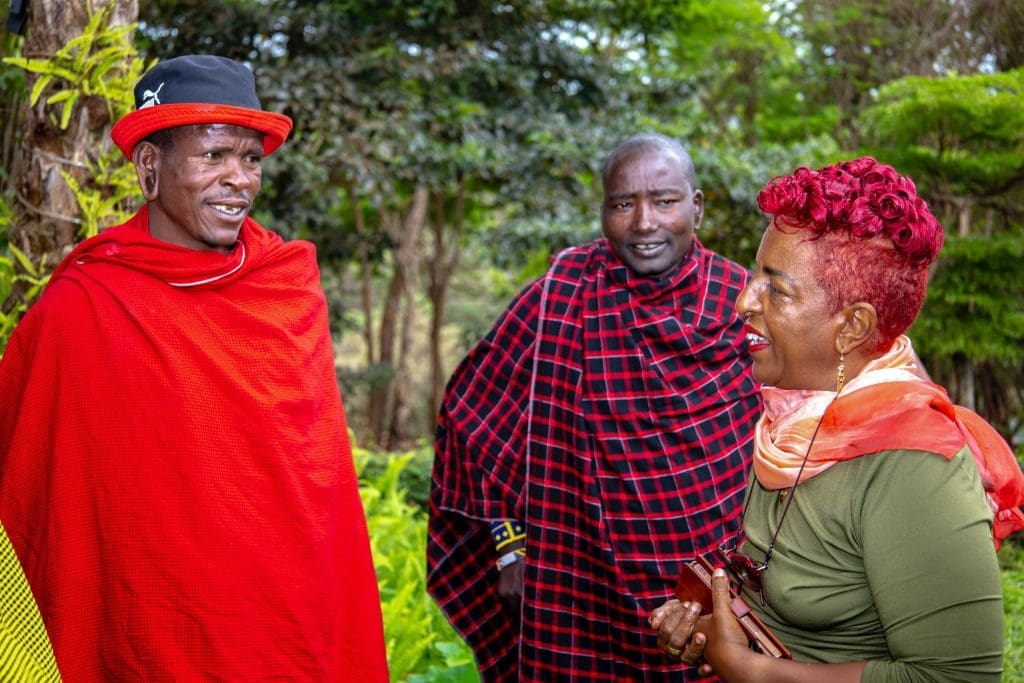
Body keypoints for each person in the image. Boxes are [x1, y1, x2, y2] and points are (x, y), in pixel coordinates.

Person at [0, 55, 389, 680]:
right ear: (150, 167)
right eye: (214, 156)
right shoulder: (83, 304)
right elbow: (32, 489)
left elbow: (316, 492)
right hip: (143, 622)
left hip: (278, 625)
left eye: (251, 158)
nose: (239, 179)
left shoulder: (285, 289)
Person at [650, 156, 1024, 681]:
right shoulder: (794, 421)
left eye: (775, 289)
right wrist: (715, 627)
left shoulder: (916, 466)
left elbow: (958, 677)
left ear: (851, 328)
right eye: (754, 274)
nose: (741, 301)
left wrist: (753, 673)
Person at [427, 133, 762, 681]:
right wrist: (508, 545)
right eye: (623, 204)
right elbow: (471, 417)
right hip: (582, 589)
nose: (644, 222)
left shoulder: (742, 301)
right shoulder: (563, 293)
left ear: (696, 207)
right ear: (603, 210)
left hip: (715, 589)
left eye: (665, 201)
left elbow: (800, 439)